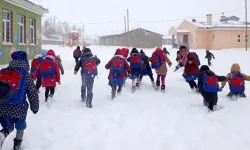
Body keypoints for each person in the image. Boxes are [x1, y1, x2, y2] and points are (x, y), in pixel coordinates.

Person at [0, 51, 39, 150]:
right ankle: (17, 146)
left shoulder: (3, 72)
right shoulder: (26, 76)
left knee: (8, 127)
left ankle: (2, 134)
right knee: (20, 127)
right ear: (25, 62)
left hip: (3, 106)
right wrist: (35, 107)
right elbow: (32, 93)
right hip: (19, 108)